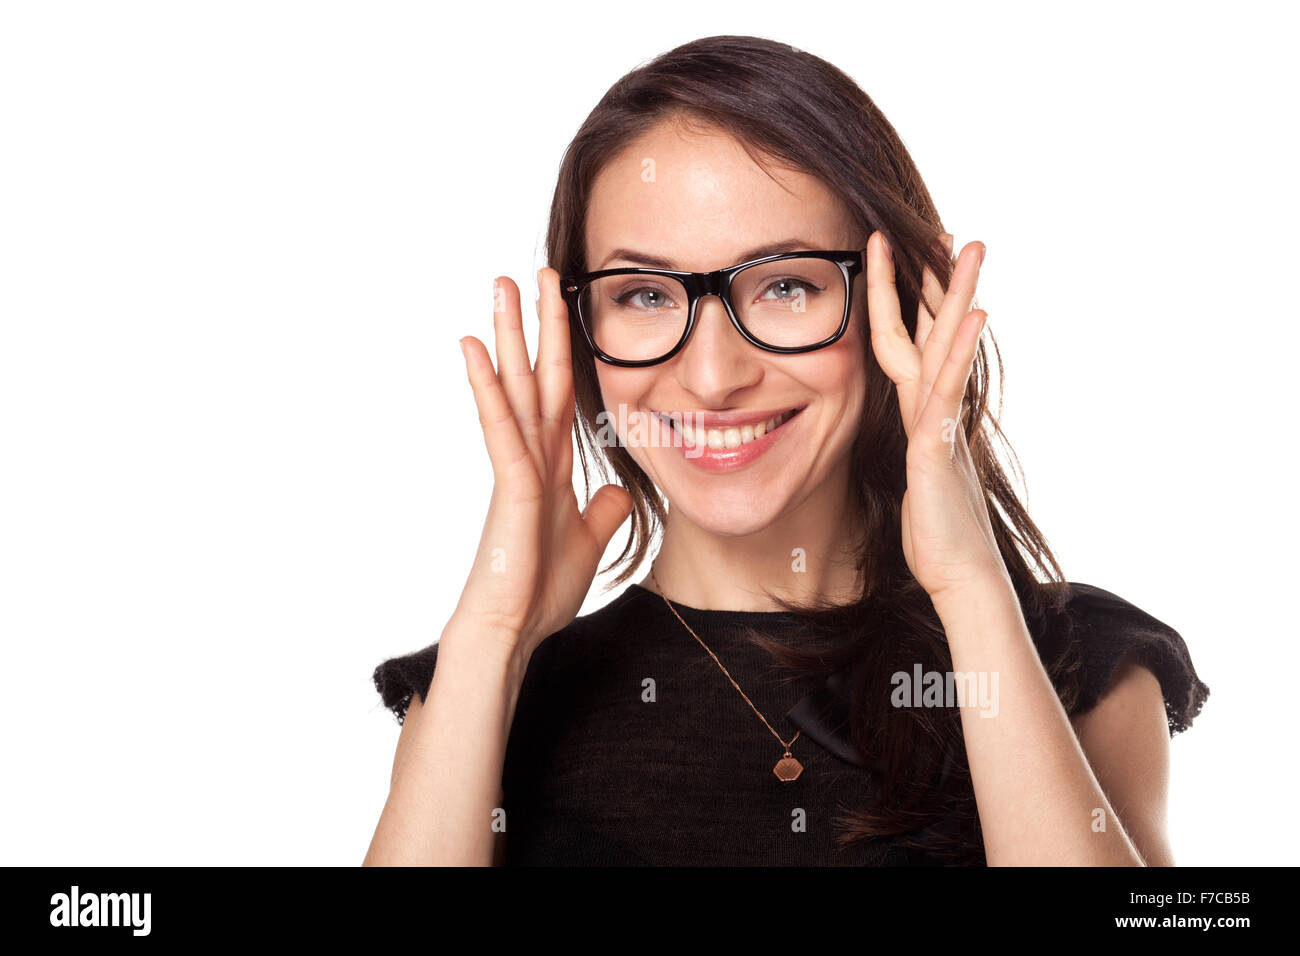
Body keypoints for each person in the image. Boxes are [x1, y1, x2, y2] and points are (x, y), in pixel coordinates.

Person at [363, 35, 1209, 866]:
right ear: (582, 332)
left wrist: (971, 590)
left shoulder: (1076, 662)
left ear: (911, 307)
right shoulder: (484, 690)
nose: (711, 375)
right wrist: (495, 635)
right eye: (647, 295)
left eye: (786, 285)